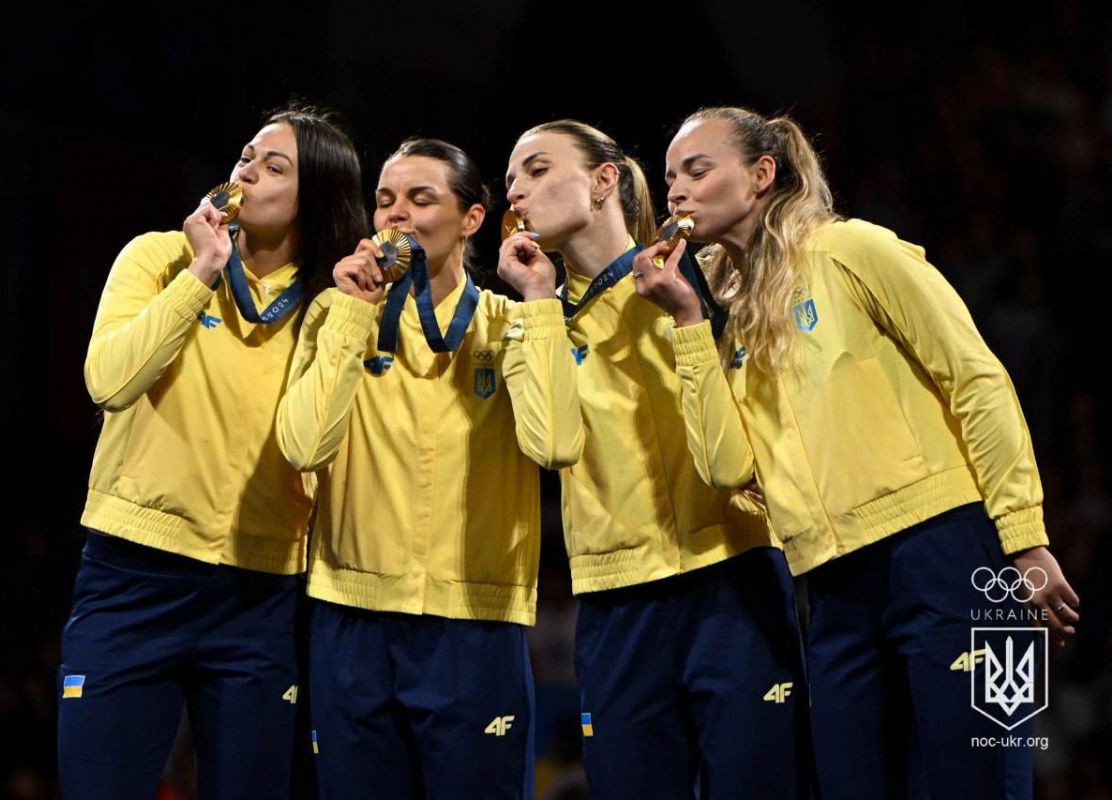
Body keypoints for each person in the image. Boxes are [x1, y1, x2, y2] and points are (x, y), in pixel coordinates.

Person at [635, 105, 1080, 800]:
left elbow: (976, 379)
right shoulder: (730, 317)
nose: (677, 194)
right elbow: (726, 470)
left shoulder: (855, 250)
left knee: (987, 786)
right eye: (669, 180)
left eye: (697, 169)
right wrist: (690, 323)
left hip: (954, 556)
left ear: (760, 175)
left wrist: (1024, 539)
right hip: (831, 587)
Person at [58, 103, 367, 799]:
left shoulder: (330, 309)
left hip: (258, 596)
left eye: (274, 165)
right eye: (247, 155)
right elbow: (109, 382)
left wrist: (349, 316)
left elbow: (314, 445)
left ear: (313, 197)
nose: (247, 170)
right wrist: (200, 270)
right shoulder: (158, 256)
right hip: (133, 575)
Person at [504, 120, 805, 799]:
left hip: (736, 576)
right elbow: (551, 445)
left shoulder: (705, 274)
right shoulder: (535, 321)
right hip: (617, 604)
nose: (517, 192)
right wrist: (538, 302)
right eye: (510, 181)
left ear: (603, 179)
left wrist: (687, 314)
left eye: (538, 170)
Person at [276, 137, 582, 799]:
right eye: (385, 200)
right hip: (352, 621)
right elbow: (303, 447)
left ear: (472, 219)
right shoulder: (339, 313)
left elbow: (555, 442)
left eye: (421, 199)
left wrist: (538, 303)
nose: (397, 216)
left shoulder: (511, 322)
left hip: (476, 620)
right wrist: (354, 315)